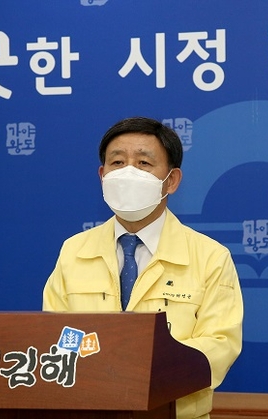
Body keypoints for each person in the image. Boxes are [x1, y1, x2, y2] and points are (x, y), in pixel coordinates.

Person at [43, 116, 243, 419]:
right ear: (102, 175)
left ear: (171, 180)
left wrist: (140, 374)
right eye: (117, 162)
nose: (128, 173)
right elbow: (54, 337)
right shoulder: (74, 250)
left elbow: (219, 346)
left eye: (143, 163)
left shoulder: (210, 257)